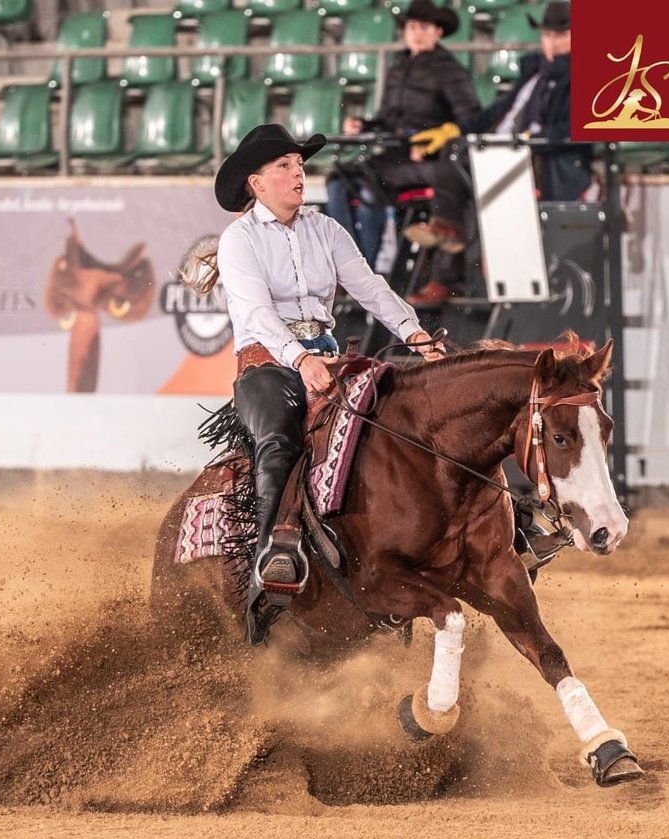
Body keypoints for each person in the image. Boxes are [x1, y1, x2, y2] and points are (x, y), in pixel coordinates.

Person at [188, 123, 444, 644]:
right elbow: (257, 314)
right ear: (256, 184)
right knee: (279, 439)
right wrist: (298, 358)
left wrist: (414, 333)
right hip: (266, 366)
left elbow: (370, 286)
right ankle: (271, 557)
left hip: (329, 360)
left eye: (299, 164)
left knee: (399, 422)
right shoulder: (241, 239)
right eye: (283, 166)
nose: (297, 172)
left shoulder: (326, 229)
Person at [403, 0, 594, 259]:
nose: (553, 43)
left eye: (561, 35)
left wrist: (533, 139)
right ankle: (450, 236)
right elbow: (497, 112)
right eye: (548, 35)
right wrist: (456, 129)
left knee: (462, 166)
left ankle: (450, 241)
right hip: (507, 149)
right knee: (455, 150)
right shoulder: (534, 73)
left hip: (540, 157)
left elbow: (576, 128)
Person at [325, 0, 480, 309]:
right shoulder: (398, 68)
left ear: (437, 32)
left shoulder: (450, 71)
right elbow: (387, 118)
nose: (416, 33)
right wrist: (365, 124)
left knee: (368, 183)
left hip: (430, 160)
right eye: (412, 27)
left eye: (423, 28)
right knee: (337, 181)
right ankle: (345, 270)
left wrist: (438, 140)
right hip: (395, 154)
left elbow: (470, 118)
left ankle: (360, 272)